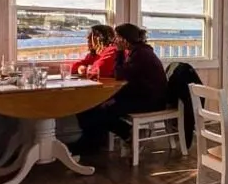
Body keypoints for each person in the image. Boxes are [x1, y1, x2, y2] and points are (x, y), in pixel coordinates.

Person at [70, 23, 169, 155]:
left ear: (124, 39)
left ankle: (128, 134)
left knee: (102, 110)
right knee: (98, 107)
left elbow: (120, 74)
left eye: (117, 37)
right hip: (142, 95)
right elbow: (126, 77)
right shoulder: (136, 51)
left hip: (151, 101)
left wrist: (118, 52)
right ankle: (97, 141)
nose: (114, 40)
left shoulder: (141, 54)